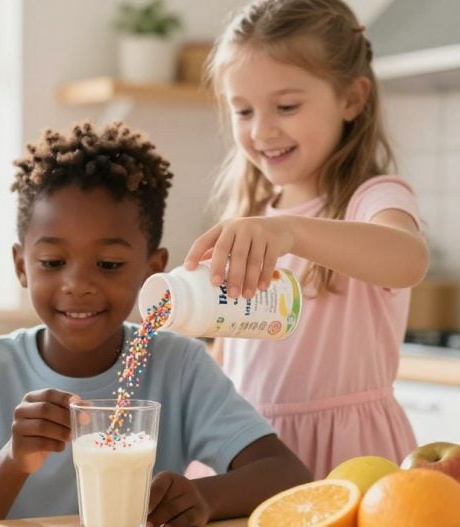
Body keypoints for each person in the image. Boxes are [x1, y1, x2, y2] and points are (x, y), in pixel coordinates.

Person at [0, 121, 311, 527]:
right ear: (21, 266)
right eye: (52, 263)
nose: (79, 285)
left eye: (109, 265)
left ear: (152, 269)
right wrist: (14, 460)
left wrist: (203, 497)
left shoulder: (178, 365)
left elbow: (288, 475)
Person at [183, 0, 428, 478]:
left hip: (351, 458)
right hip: (255, 448)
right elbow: (229, 354)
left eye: (287, 106)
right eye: (243, 110)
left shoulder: (373, 198)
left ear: (352, 99)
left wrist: (291, 232)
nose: (262, 129)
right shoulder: (254, 217)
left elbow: (408, 260)